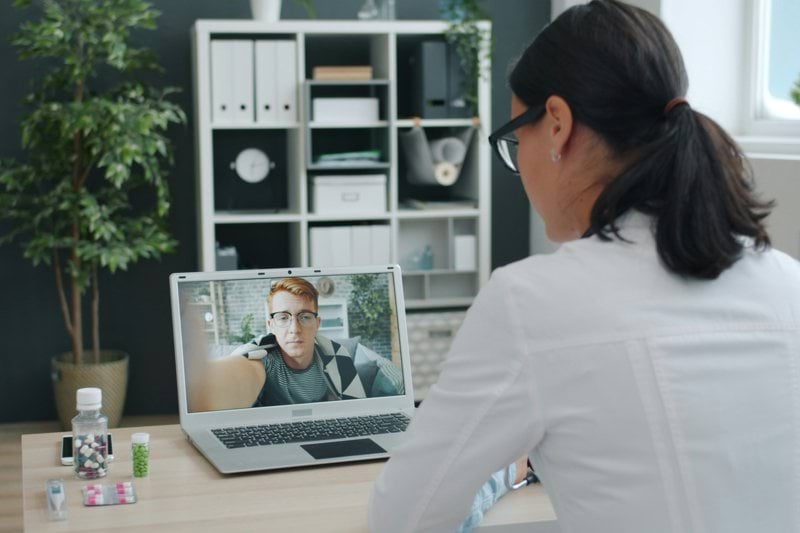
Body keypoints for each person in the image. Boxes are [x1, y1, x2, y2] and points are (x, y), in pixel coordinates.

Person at [368, 1, 800, 532]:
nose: (518, 166)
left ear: (555, 125)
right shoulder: (789, 282)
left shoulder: (530, 301)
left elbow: (403, 516)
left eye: (513, 140)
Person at [193, 277, 367, 410]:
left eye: (305, 317)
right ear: (271, 326)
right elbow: (238, 375)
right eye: (283, 317)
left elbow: (359, 410)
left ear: (317, 324)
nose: (294, 329)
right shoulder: (264, 359)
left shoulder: (335, 357)